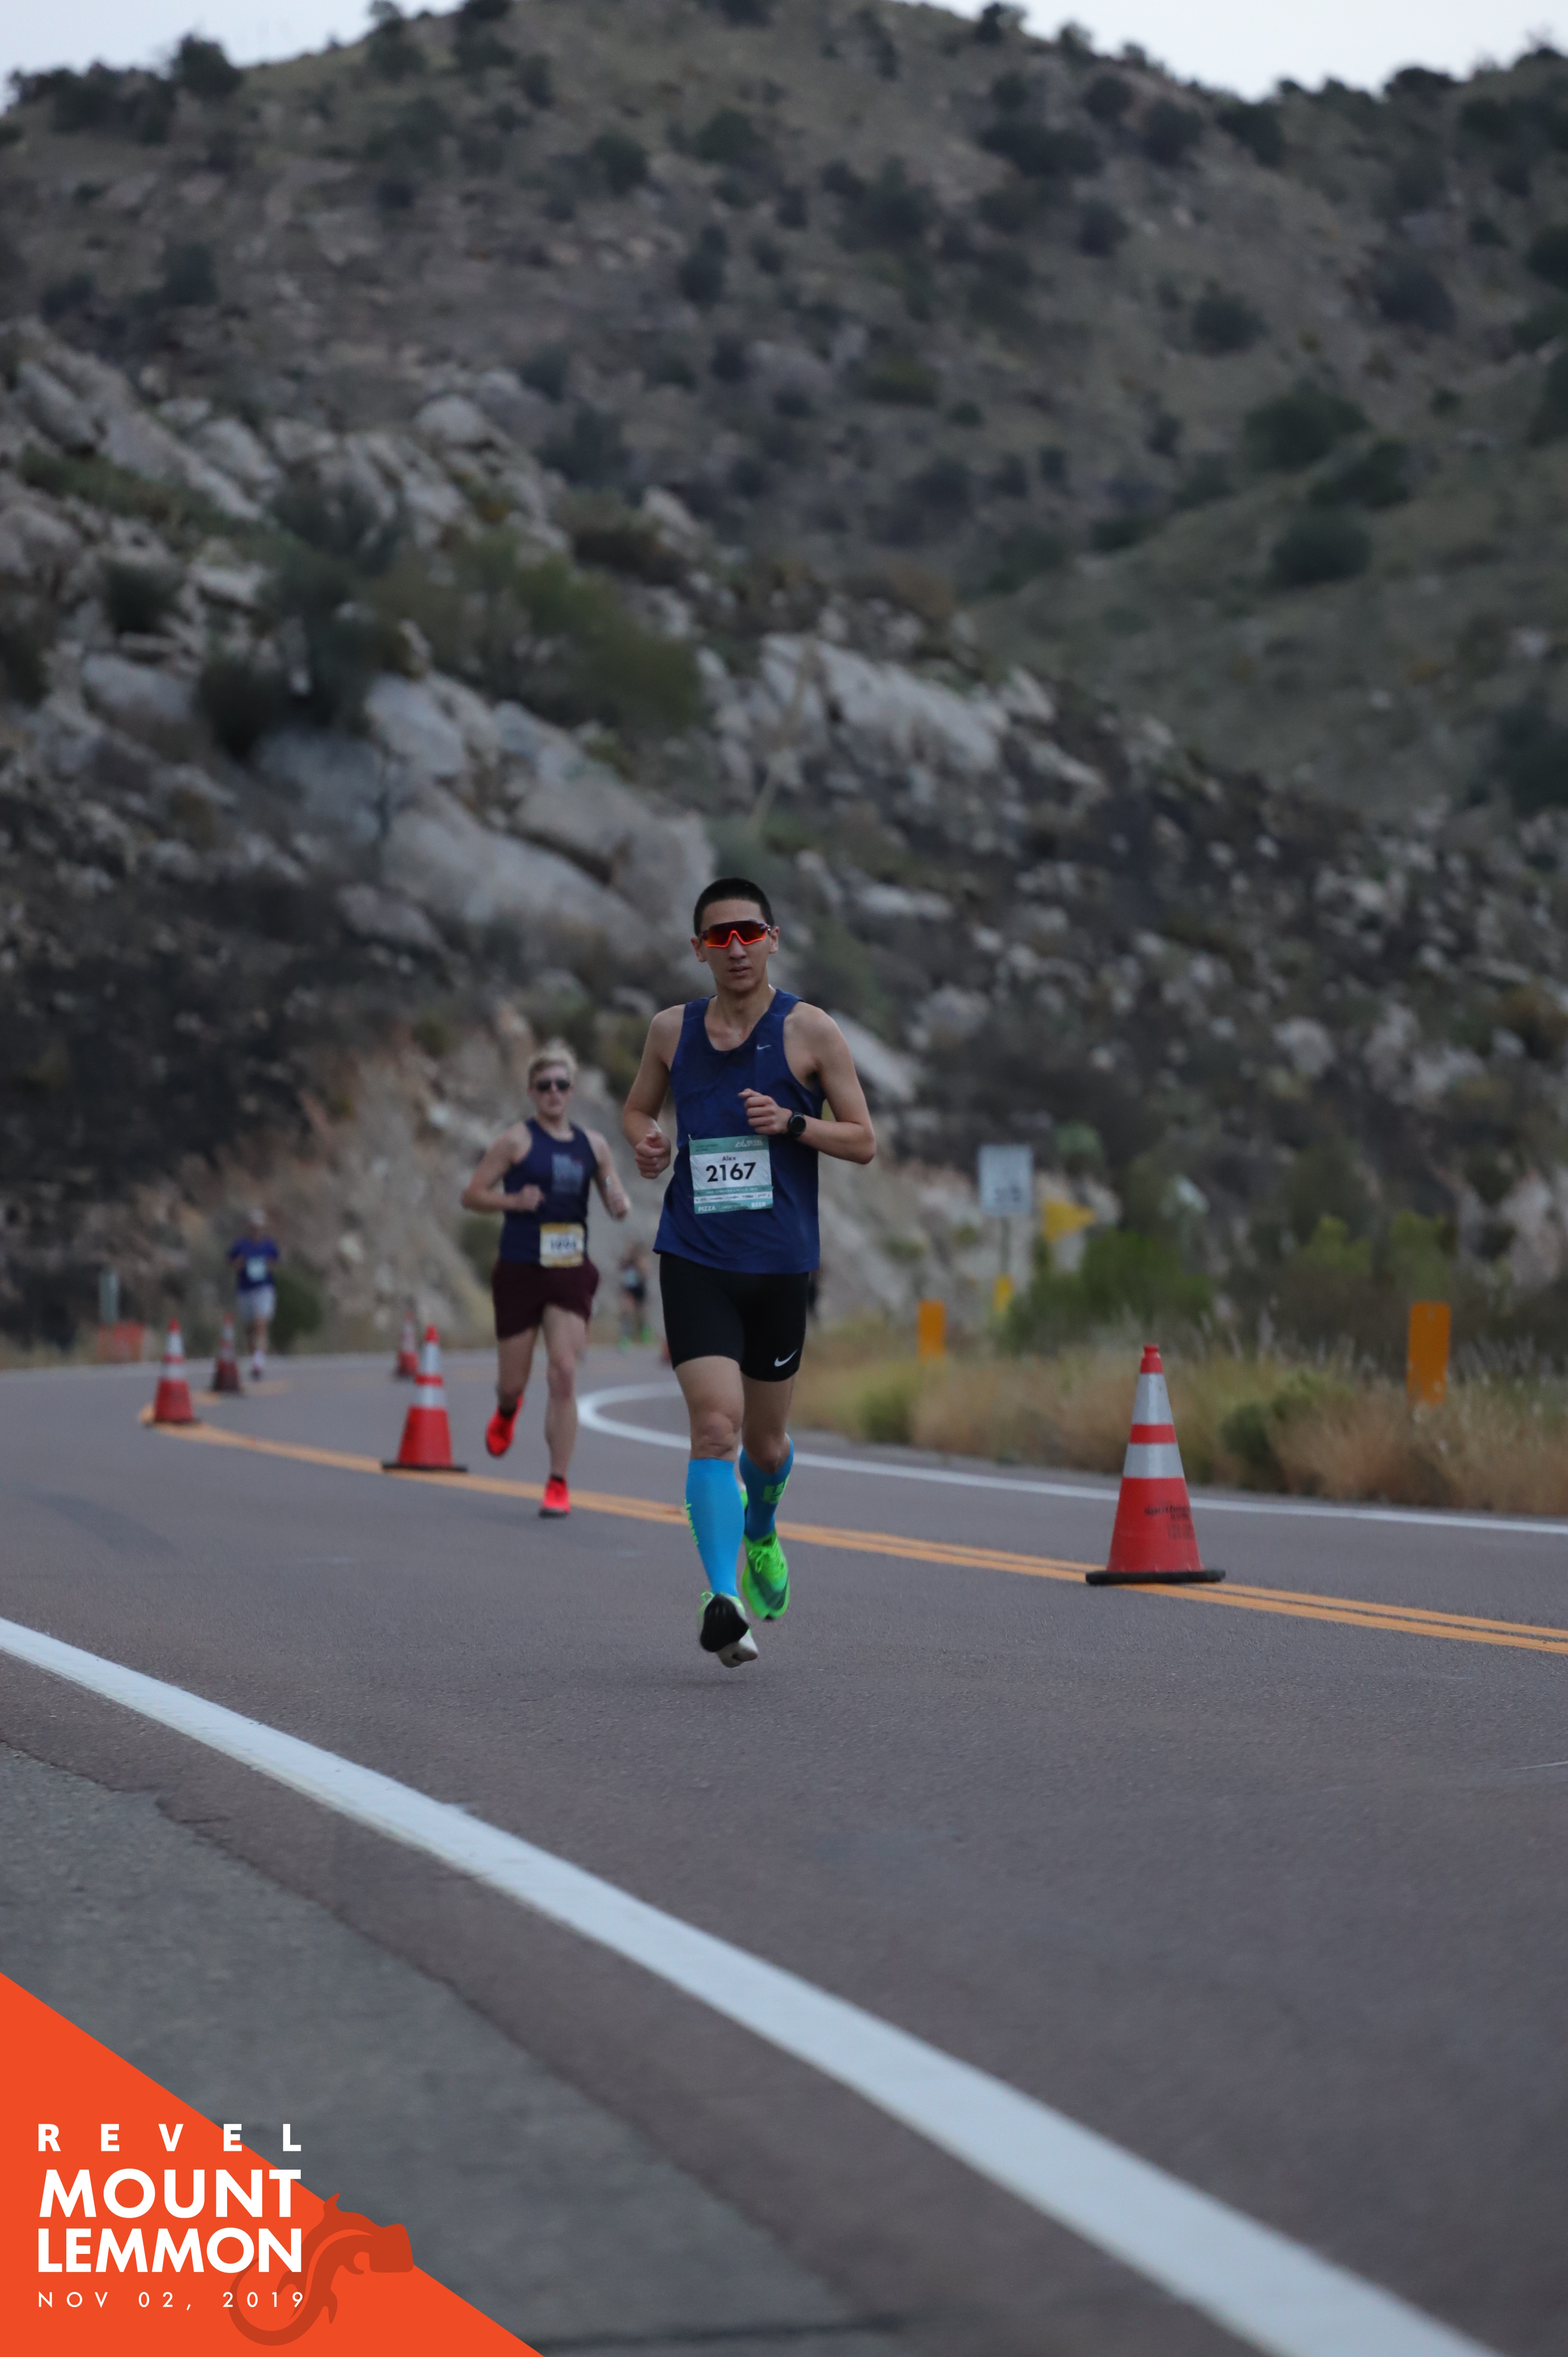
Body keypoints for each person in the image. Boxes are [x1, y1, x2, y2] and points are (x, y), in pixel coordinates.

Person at [621, 878, 875, 1667]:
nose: (735, 948)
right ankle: (722, 1598)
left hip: (778, 1267)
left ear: (772, 939)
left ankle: (761, 1528)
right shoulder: (671, 1030)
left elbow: (863, 1139)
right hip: (695, 1255)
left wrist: (794, 1123)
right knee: (714, 1427)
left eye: (748, 933)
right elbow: (637, 1109)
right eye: (718, 936)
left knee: (764, 1448)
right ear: (698, 948)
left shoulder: (810, 1031)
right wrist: (646, 1142)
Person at [461, 1040, 629, 1518]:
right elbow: (472, 1194)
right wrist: (512, 1202)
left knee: (564, 1372)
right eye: (545, 1085)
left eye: (562, 1084)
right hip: (520, 1268)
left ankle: (558, 1481)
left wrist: (619, 1202)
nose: (554, 1092)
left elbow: (613, 1192)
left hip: (569, 1269)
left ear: (572, 1091)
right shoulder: (515, 1142)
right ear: (532, 1092)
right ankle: (507, 1410)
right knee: (512, 1382)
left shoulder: (593, 1146)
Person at [226, 1209, 279, 1381]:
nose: (256, 1230)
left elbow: (277, 1262)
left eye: (258, 1227)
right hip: (245, 1290)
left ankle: (259, 1360)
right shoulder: (241, 1246)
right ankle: (254, 1358)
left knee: (261, 1323)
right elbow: (230, 1262)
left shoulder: (269, 1245)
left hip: (264, 1289)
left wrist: (269, 1266)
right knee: (250, 1328)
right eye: (253, 1227)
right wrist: (239, 1264)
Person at [617, 1242, 650, 1350]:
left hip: (639, 1288)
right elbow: (621, 1269)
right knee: (626, 1312)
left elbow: (645, 1272)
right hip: (628, 1289)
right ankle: (626, 1339)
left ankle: (645, 1332)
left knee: (641, 1313)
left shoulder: (640, 1260)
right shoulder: (626, 1261)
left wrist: (638, 1264)